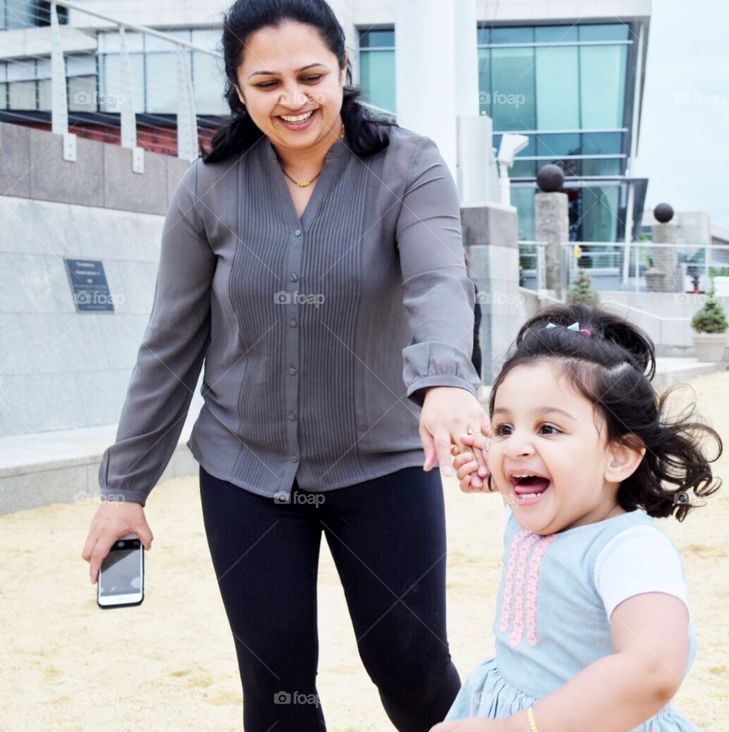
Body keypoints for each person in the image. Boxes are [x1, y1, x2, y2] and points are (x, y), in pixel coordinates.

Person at [80, 1, 490, 730]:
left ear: (344, 69)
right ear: (238, 88)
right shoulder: (208, 186)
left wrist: (446, 381)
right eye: (267, 83)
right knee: (276, 688)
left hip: (385, 465)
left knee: (411, 665)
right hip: (246, 471)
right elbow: (170, 342)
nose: (293, 99)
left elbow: (437, 281)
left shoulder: (410, 166)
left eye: (310, 76)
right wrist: (125, 486)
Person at [433, 303, 721, 732]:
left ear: (619, 456)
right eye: (505, 428)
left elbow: (653, 669)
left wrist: (517, 729)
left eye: (549, 429)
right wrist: (492, 472)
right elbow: (538, 471)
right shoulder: (555, 509)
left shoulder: (630, 550)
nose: (516, 447)